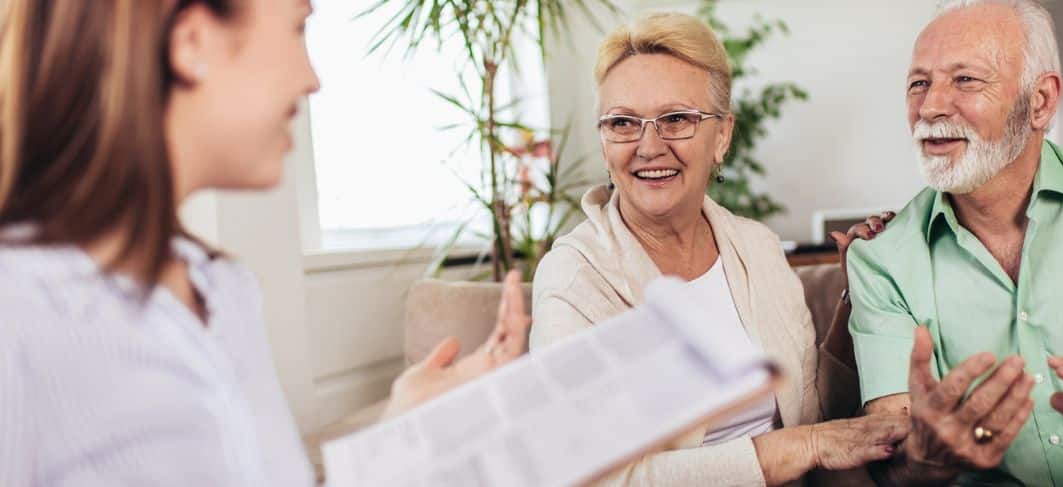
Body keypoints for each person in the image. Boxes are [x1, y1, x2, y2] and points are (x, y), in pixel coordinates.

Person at [0, 1, 530, 485]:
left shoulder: (223, 289)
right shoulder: (19, 312)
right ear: (193, 44)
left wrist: (404, 428)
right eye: (299, 28)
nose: (312, 79)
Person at [531, 12, 909, 487]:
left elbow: (810, 409)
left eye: (676, 119)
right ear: (604, 140)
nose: (649, 146)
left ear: (722, 136)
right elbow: (595, 477)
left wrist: (855, 296)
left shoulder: (757, 247)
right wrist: (803, 447)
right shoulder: (574, 279)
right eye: (624, 122)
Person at [847, 0, 1063, 485]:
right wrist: (924, 460)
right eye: (919, 83)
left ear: (1040, 101)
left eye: (965, 80)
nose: (930, 107)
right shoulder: (880, 259)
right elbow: (894, 465)